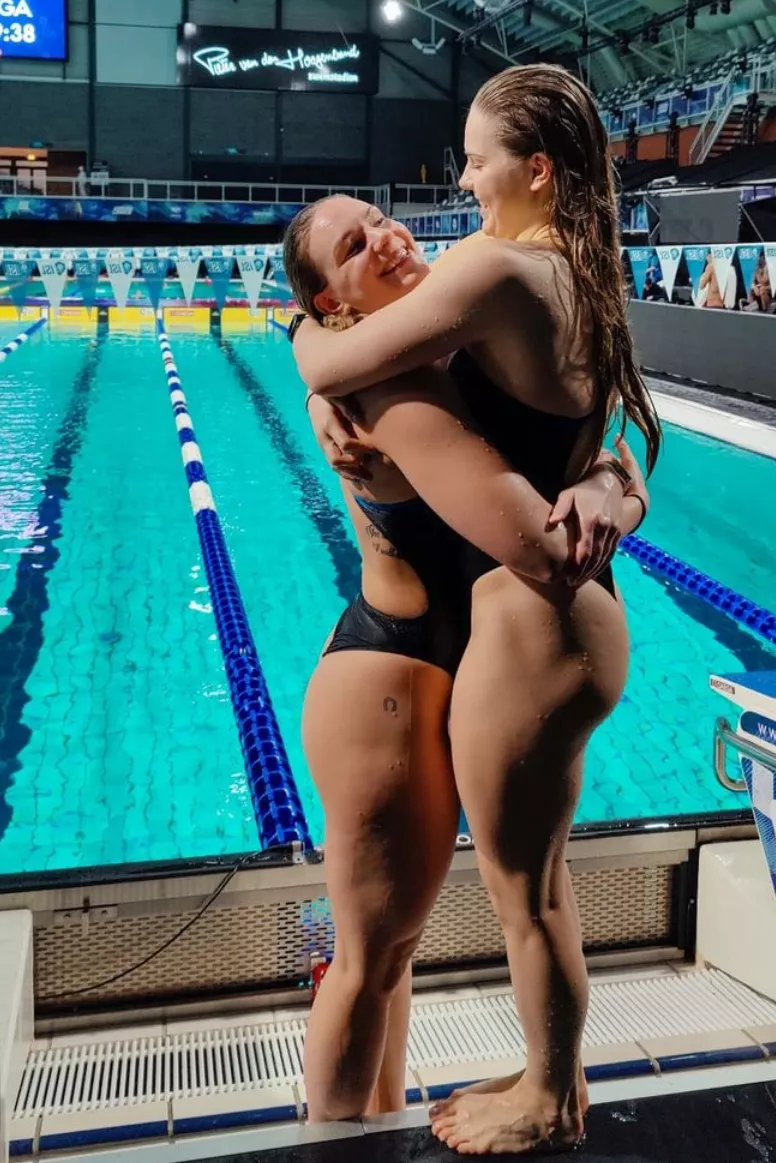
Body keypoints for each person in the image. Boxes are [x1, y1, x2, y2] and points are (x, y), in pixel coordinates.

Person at [290, 63, 661, 1154]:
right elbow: (533, 537)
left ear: (533, 172)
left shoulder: (466, 309)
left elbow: (580, 463)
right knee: (376, 954)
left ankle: (512, 1094)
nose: (396, 234)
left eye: (381, 222)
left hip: (502, 645)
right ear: (333, 298)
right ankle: (338, 1137)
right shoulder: (396, 382)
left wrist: (612, 485)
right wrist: (316, 352)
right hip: (397, 671)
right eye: (355, 247)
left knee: (476, 913)